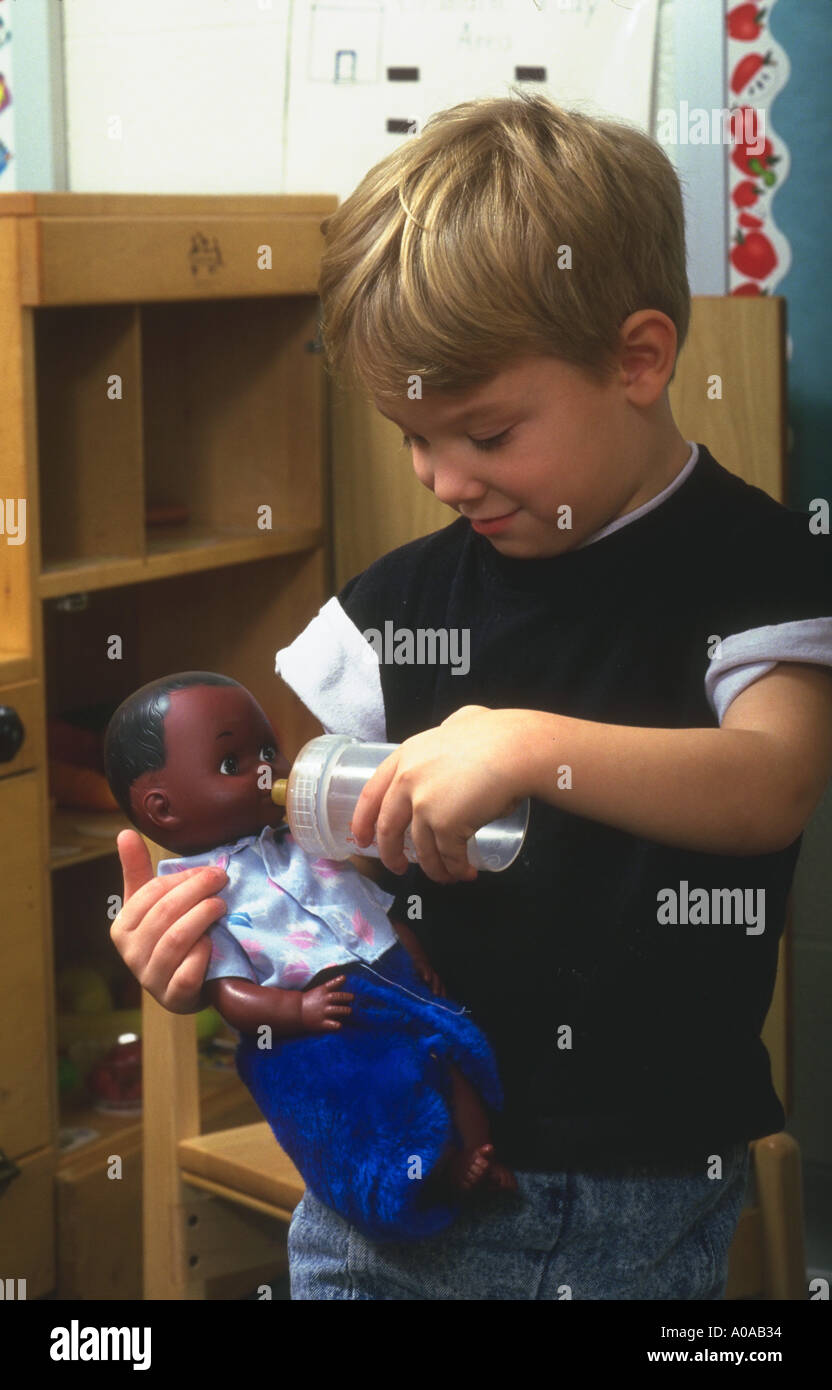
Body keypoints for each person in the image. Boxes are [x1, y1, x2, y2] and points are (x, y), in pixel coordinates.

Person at [111, 91, 832, 1299]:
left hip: (616, 1180)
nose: (444, 478)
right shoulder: (389, 608)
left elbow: (771, 784)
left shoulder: (755, 571)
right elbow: (292, 848)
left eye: (486, 433)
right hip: (382, 1158)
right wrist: (201, 937)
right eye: (410, 436)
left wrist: (529, 747)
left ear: (638, 358)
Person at [103, 671, 515, 1241]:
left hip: (390, 981)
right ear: (162, 808)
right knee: (377, 1099)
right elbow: (229, 992)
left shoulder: (306, 840)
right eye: (232, 764)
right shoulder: (199, 891)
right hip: (319, 1019)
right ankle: (431, 1176)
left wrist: (412, 954)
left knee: (450, 1061)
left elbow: (372, 905)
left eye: (268, 751)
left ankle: (478, 1152)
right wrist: (296, 1014)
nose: (268, 772)